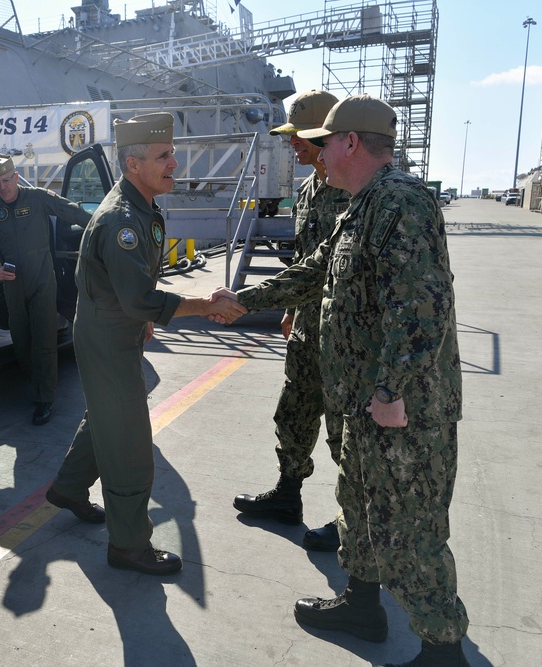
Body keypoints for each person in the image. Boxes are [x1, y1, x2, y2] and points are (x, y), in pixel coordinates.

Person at [224, 95, 471, 666]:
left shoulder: (400, 203)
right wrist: (243, 300)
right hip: (360, 397)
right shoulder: (361, 206)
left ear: (351, 143)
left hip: (401, 408)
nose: (316, 151)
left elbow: (423, 309)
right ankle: (362, 604)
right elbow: (316, 272)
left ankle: (443, 648)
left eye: (326, 140)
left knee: (411, 527)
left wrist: (390, 391)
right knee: (357, 504)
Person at [45, 112, 247, 575]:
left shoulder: (141, 207)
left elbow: (133, 288)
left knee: (106, 418)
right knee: (130, 443)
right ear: (134, 164)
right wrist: (205, 305)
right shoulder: (123, 220)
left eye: (171, 153)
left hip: (119, 328)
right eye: (164, 156)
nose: (174, 162)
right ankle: (129, 545)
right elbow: (138, 298)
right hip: (109, 337)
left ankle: (69, 488)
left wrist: (146, 318)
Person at [231, 90, 350, 553]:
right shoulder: (307, 191)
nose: (292, 146)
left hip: (345, 335)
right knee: (295, 412)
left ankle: (350, 522)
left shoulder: (357, 190)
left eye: (298, 137)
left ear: (326, 136)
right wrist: (289, 309)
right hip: (306, 328)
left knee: (346, 433)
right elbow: (303, 260)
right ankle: (287, 494)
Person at [0, 155, 92, 426]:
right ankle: (39, 380)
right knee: (21, 341)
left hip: (42, 279)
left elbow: (73, 212)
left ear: (16, 177)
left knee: (44, 340)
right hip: (12, 283)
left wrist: (103, 226)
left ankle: (44, 398)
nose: (3, 187)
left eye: (7, 180)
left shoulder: (39, 198)